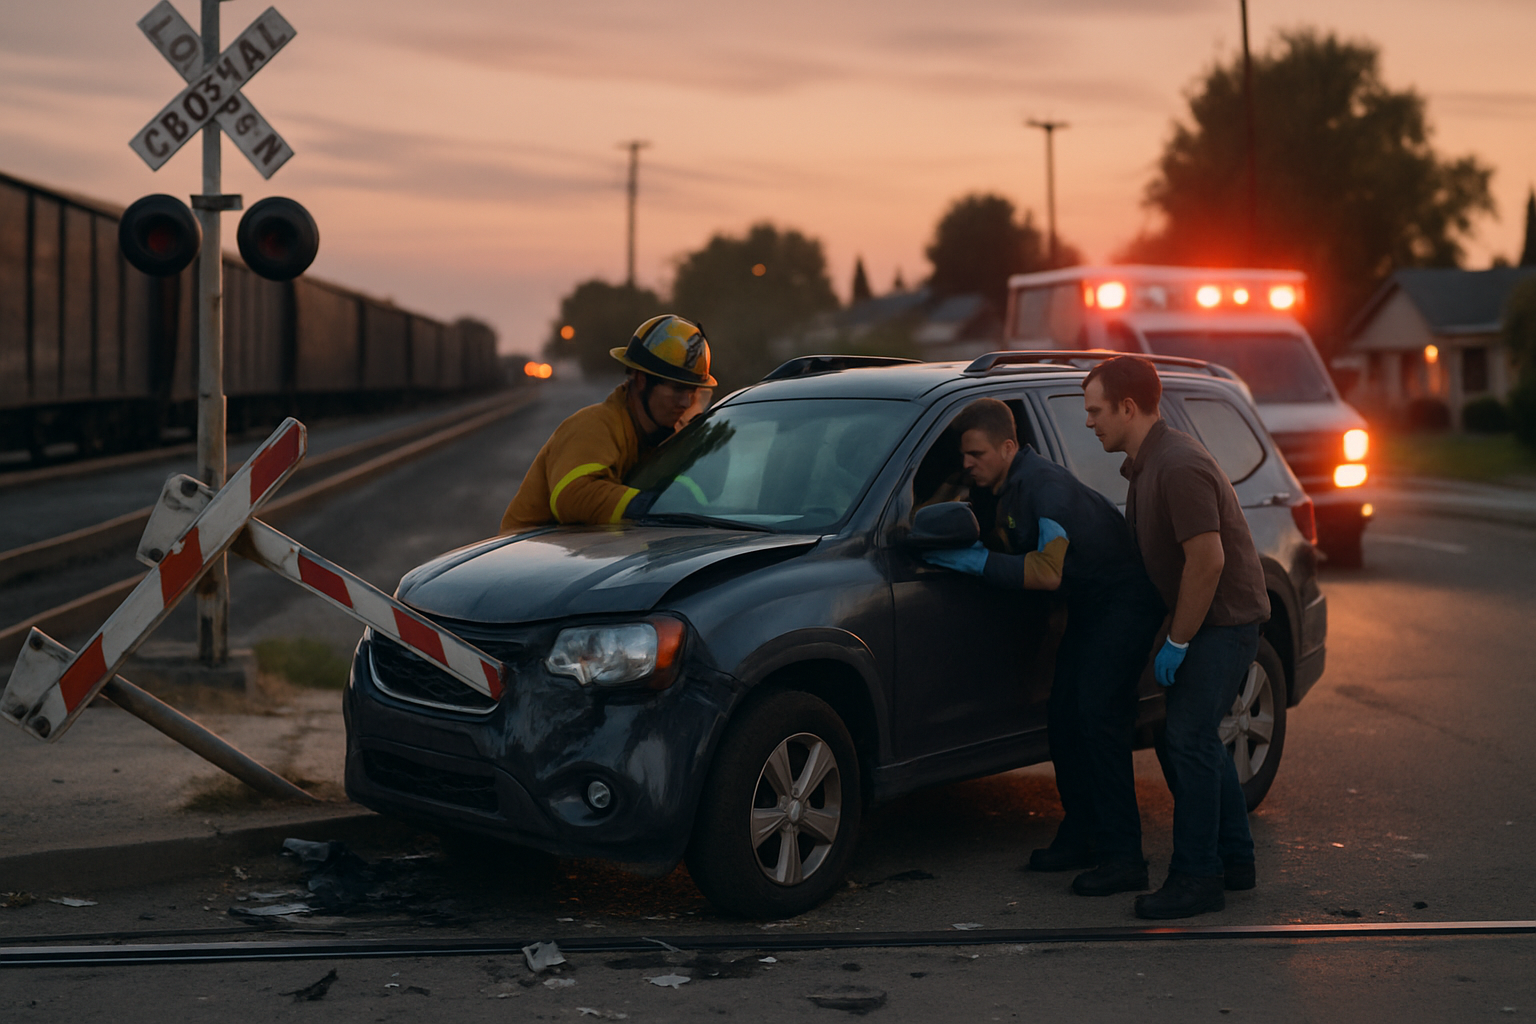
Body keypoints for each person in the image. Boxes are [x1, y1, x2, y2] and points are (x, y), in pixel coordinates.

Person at [923, 399, 1165, 897]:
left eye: (977, 453)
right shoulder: (1002, 485)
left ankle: (1124, 857)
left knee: (1098, 720)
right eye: (964, 455)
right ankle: (1081, 835)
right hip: (1091, 604)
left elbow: (1045, 572)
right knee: (1064, 717)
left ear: (1008, 447)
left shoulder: (1044, 488)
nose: (966, 464)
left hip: (1123, 602)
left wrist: (971, 562)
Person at [1082, 355, 1270, 920]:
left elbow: (1207, 561)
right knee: (1192, 740)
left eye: (1096, 411)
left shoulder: (1178, 464)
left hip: (1226, 621)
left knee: (1187, 739)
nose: (1090, 423)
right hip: (1208, 621)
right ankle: (1235, 860)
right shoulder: (1146, 464)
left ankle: (1198, 877)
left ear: (1129, 407)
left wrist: (1179, 641)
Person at [499, 315, 716, 535]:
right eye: (677, 389)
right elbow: (574, 495)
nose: (686, 402)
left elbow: (689, 496)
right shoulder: (593, 425)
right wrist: (655, 507)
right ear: (641, 380)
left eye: (693, 392)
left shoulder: (663, 439)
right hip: (529, 559)